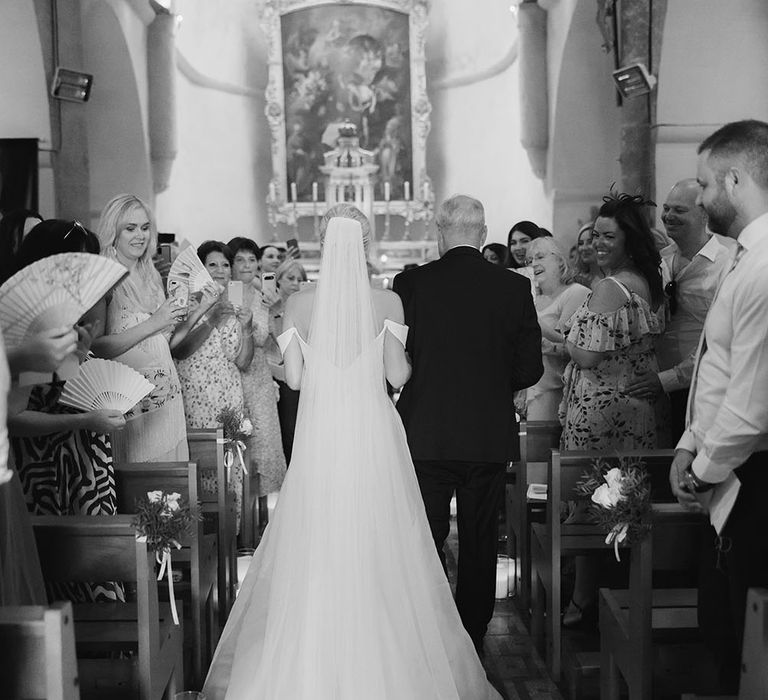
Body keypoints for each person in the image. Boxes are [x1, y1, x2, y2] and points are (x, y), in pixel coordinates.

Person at [203, 209, 502, 700]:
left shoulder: (298, 303)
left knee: (320, 535)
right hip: (372, 429)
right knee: (381, 536)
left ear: (323, 243)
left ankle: (312, 650)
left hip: (322, 433)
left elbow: (295, 379)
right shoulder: (388, 300)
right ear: (365, 244)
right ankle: (389, 649)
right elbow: (399, 377)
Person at [393, 195, 543, 655]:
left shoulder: (410, 284)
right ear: (482, 235)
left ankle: (429, 627)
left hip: (427, 433)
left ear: (439, 232)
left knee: (426, 534)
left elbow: (396, 359)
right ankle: (472, 633)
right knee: (480, 540)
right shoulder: (513, 288)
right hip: (486, 434)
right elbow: (530, 370)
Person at [668, 119, 768, 692]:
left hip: (748, 480)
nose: (702, 199)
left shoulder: (758, 266)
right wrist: (687, 444)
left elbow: (751, 404)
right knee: (721, 632)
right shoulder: (741, 256)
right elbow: (716, 365)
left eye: (706, 185)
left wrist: (703, 470)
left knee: (743, 649)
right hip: (724, 471)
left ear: (734, 178)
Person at [9, 220, 127, 603]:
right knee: (63, 579)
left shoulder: (65, 320)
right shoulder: (27, 328)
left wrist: (79, 354)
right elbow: (15, 418)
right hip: (49, 470)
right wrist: (86, 420)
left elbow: (68, 387)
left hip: (85, 466)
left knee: (96, 574)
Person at [560, 192, 664, 626]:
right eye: (595, 235)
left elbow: (585, 355)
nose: (597, 243)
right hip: (636, 408)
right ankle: (618, 597)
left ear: (629, 239)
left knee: (590, 502)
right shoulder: (647, 280)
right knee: (625, 506)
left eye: (608, 236)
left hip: (602, 414)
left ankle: (585, 601)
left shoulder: (610, 286)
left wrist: (563, 336)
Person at [625, 179, 735, 444]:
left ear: (704, 214)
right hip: (654, 387)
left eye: (679, 210)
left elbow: (719, 341)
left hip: (702, 390)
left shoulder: (725, 265)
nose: (668, 216)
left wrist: (667, 380)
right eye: (666, 208)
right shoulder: (661, 260)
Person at [91, 194, 190, 462]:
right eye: (130, 228)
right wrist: (154, 322)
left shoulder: (152, 275)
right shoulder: (103, 275)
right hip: (130, 404)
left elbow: (164, 344)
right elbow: (95, 347)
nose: (140, 236)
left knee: (170, 490)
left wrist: (200, 307)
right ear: (114, 232)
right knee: (140, 491)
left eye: (145, 228)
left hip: (166, 397)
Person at [228, 237, 286, 497]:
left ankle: (264, 514)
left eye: (252, 259)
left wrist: (277, 308)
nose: (247, 264)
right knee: (237, 446)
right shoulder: (224, 295)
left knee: (265, 446)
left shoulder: (265, 296)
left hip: (260, 377)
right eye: (240, 259)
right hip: (231, 376)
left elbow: (280, 338)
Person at [524, 237, 590, 421]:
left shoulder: (576, 293)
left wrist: (534, 321)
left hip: (557, 391)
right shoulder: (533, 298)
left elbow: (574, 346)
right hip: (529, 389)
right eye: (529, 260)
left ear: (560, 260)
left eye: (540, 257)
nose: (533, 264)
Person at [268, 258, 308, 464]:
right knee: (287, 432)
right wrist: (276, 313)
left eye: (300, 279)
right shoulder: (267, 307)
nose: (295, 283)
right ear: (279, 281)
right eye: (290, 278)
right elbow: (281, 345)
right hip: (276, 377)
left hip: (304, 376)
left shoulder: (309, 308)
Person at [573, 221, 602, 289]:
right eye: (580, 243)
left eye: (590, 242)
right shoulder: (575, 280)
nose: (584, 248)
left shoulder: (615, 278)